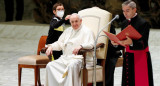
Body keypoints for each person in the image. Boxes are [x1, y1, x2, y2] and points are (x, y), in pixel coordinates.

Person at [45, 13, 95, 86]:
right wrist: (51, 47)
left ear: (80, 21)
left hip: (79, 59)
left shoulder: (87, 31)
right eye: (72, 22)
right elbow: (59, 43)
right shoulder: (67, 31)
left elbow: (91, 44)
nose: (74, 24)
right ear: (70, 22)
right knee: (50, 65)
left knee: (72, 65)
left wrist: (81, 46)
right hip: (66, 58)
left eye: (76, 21)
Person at [111, 0, 154, 86]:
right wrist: (116, 43)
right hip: (128, 57)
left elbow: (143, 43)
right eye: (123, 11)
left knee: (140, 82)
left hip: (140, 57)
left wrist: (132, 43)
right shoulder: (124, 23)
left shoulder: (143, 23)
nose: (125, 13)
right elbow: (123, 42)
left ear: (134, 10)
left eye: (127, 10)